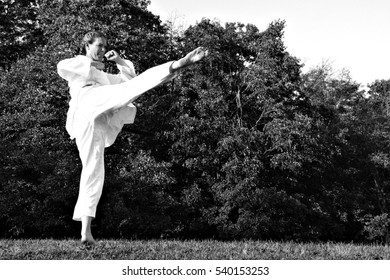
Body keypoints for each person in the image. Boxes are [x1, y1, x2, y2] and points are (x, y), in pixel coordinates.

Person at [57, 31, 208, 245]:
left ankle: (85, 232)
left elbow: (132, 82)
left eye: (104, 46)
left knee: (94, 169)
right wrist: (91, 65)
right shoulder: (76, 64)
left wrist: (118, 60)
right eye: (98, 45)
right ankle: (176, 65)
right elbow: (61, 67)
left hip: (99, 117)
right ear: (87, 45)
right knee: (92, 165)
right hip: (86, 105)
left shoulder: (104, 77)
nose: (101, 50)